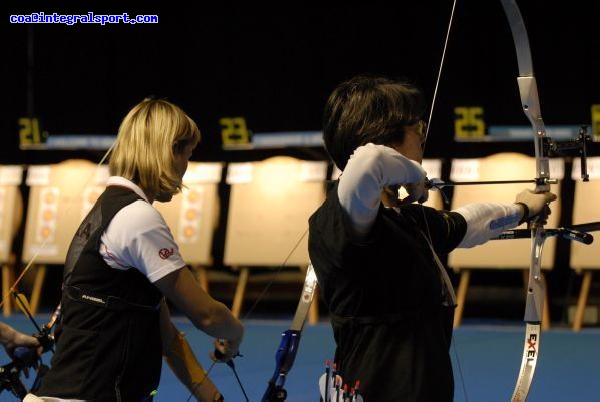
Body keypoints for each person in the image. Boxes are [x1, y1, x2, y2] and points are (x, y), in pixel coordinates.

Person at [307, 75, 557, 401]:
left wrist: (523, 207)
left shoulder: (407, 220)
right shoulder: (342, 221)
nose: (422, 135)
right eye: (416, 127)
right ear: (384, 138)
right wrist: (416, 174)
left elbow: (468, 224)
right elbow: (368, 162)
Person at [26, 98, 244, 402]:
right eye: (187, 154)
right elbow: (206, 315)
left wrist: (214, 398)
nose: (186, 168)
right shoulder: (137, 217)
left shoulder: (112, 210)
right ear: (168, 151)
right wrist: (235, 333)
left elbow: (166, 337)